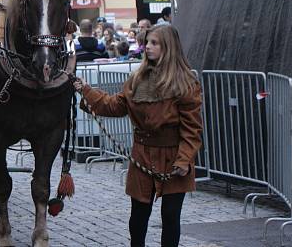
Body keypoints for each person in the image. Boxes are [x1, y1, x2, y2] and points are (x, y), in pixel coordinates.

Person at [73, 25, 203, 247]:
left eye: (155, 43)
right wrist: (86, 90)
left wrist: (184, 159)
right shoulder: (137, 79)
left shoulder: (185, 83)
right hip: (142, 154)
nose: (148, 47)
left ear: (168, 48)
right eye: (147, 42)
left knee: (171, 217)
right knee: (138, 218)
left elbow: (192, 128)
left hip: (173, 156)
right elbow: (114, 105)